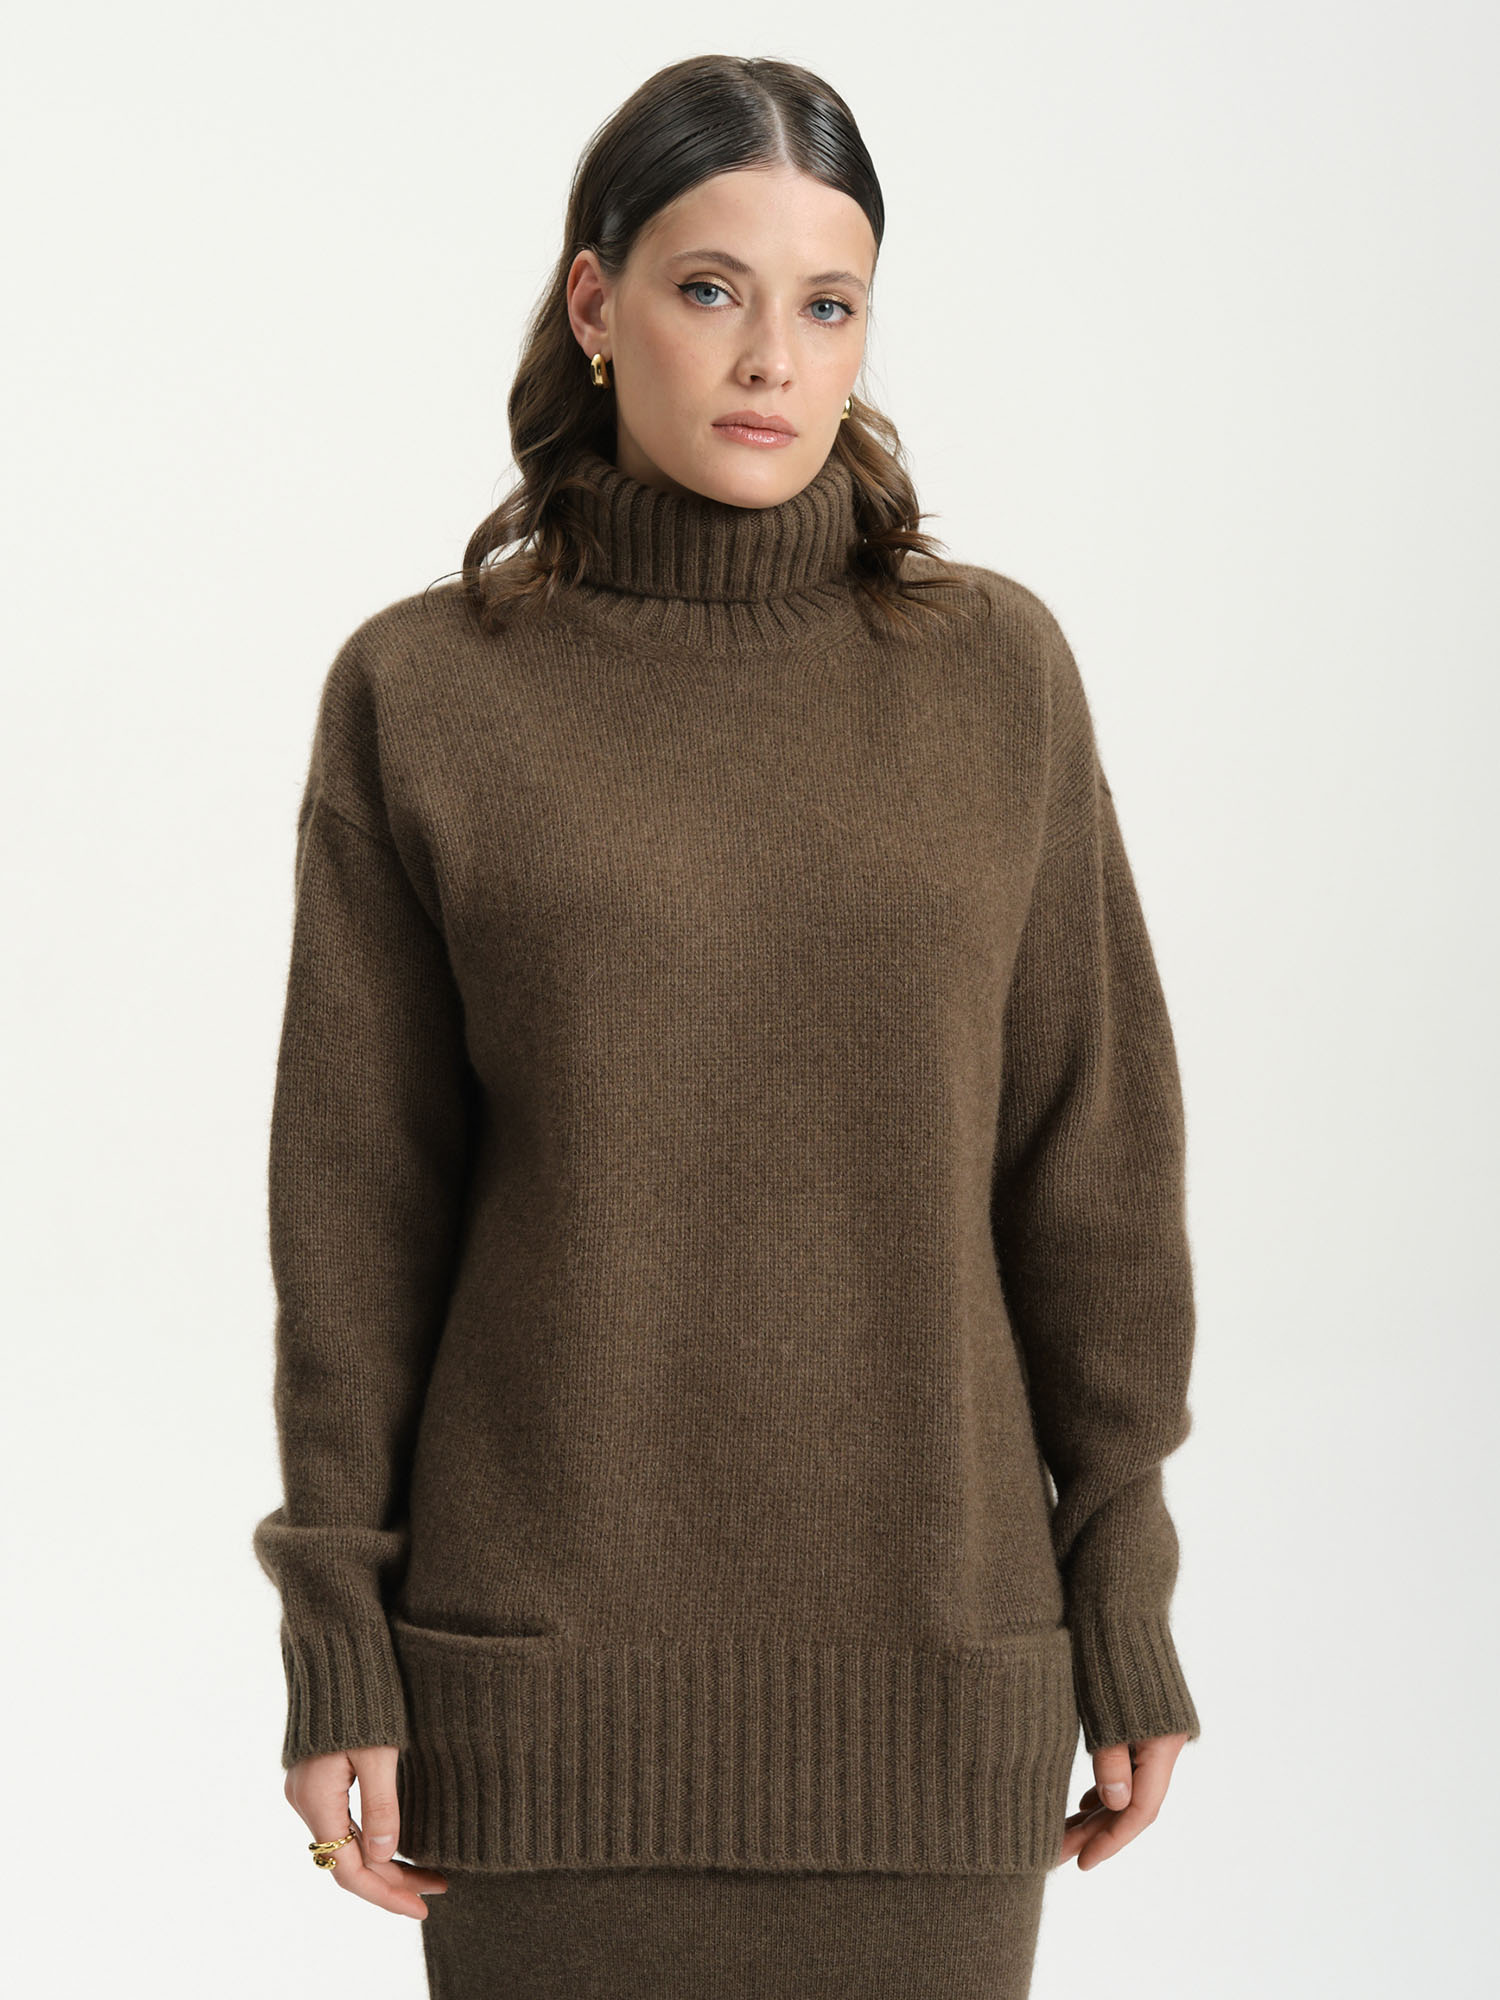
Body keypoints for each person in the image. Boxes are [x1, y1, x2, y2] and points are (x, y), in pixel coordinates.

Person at [251, 51, 1203, 2000]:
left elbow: (1091, 1173)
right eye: (711, 288)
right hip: (540, 1707)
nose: (774, 356)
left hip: (933, 1696)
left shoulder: (995, 676)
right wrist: (336, 1630)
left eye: (828, 303)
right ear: (596, 303)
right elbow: (356, 1217)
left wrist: (1125, 1586)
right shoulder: (425, 694)